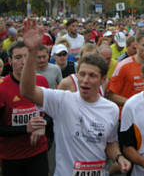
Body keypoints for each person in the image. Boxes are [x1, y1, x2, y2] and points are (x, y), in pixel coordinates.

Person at [20, 18, 131, 176]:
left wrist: (119, 158)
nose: (85, 80)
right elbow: (27, 91)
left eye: (92, 76)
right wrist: (31, 53)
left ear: (103, 80)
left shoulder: (111, 108)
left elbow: (110, 143)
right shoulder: (62, 100)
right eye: (82, 74)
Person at [0, 41, 49, 176]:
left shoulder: (42, 81)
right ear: (10, 61)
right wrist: (26, 129)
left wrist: (42, 125)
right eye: (18, 57)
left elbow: (51, 114)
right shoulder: (2, 88)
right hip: (12, 157)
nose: (23, 61)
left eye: (27, 57)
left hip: (38, 152)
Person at [107, 29, 144, 108]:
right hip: (128, 116)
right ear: (136, 45)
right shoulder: (123, 66)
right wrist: (134, 104)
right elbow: (111, 95)